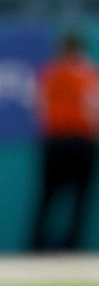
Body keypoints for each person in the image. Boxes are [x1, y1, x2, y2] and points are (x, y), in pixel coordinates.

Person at [30, 32, 99, 252]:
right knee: (78, 198)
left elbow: (38, 106)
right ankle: (71, 247)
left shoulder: (50, 74)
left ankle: (37, 245)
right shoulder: (87, 74)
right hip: (79, 140)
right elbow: (93, 108)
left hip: (55, 140)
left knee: (47, 196)